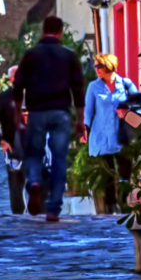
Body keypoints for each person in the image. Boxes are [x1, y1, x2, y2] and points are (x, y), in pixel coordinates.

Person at [14, 14, 85, 221]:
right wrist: (80, 119)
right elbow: (78, 88)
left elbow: (18, 85)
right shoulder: (69, 56)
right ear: (61, 32)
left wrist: (19, 112)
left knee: (34, 154)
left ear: (43, 31)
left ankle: (35, 182)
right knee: (59, 159)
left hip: (36, 112)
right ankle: (53, 208)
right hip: (61, 112)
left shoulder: (30, 55)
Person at [83, 53, 133, 214]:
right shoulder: (93, 87)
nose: (96, 69)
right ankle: (111, 207)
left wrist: (127, 113)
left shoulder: (125, 84)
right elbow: (88, 110)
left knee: (126, 172)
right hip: (101, 135)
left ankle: (125, 204)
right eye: (95, 66)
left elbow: (139, 102)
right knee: (107, 174)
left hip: (122, 135)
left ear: (109, 66)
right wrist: (84, 128)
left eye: (99, 66)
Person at [0, 67, 27, 214]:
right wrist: (1, 141)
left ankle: (39, 220)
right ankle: (18, 219)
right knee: (16, 187)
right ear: (11, 79)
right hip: (13, 149)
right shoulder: (3, 99)